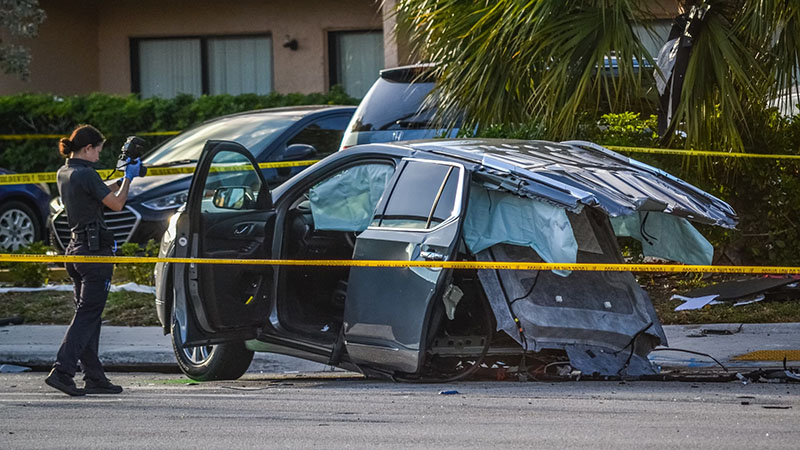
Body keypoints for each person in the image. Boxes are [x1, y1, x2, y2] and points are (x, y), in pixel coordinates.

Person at [44, 125, 142, 396]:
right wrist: (129, 180)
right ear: (87, 148)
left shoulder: (66, 172)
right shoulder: (86, 174)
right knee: (88, 314)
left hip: (75, 250)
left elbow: (98, 191)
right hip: (94, 252)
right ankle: (62, 371)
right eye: (98, 150)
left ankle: (94, 376)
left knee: (89, 315)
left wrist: (121, 176)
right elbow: (117, 203)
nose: (100, 155)